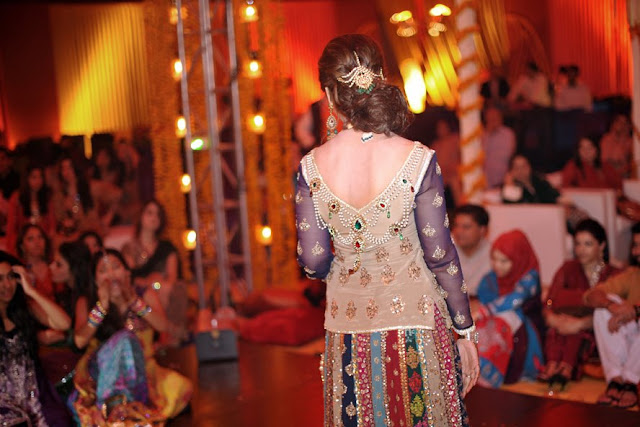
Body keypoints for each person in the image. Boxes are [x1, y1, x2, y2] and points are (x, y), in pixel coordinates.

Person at [296, 34, 478, 426]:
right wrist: (465, 330)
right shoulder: (417, 158)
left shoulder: (311, 167)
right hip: (417, 322)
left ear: (329, 94)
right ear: (379, 77)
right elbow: (440, 255)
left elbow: (312, 261)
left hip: (348, 326)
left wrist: (348, 261)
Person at [68, 249, 192, 424]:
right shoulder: (87, 302)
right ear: (96, 280)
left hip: (141, 369)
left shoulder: (143, 295)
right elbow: (79, 341)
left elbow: (162, 326)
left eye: (116, 267)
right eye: (103, 270)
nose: (111, 274)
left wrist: (133, 301)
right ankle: (114, 409)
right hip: (101, 373)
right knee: (124, 339)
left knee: (180, 387)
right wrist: (102, 307)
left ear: (127, 272)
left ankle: (132, 411)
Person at [540, 219, 620, 388]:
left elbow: (615, 312)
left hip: (596, 330)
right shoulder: (568, 268)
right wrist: (551, 317)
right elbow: (550, 300)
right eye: (578, 244)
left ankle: (566, 367)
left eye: (588, 244)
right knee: (556, 330)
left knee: (576, 332)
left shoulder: (613, 275)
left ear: (602, 245)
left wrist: (580, 324)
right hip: (563, 326)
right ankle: (553, 366)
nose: (581, 250)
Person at [0, 250, 72, 426]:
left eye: (11, 277)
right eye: (0, 279)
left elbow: (63, 323)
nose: (7, 284)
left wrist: (31, 291)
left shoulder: (25, 309)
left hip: (36, 396)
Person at [474, 230, 544, 387]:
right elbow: (482, 296)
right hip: (494, 322)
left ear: (518, 258)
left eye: (504, 261)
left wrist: (486, 311)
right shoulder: (491, 279)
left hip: (526, 328)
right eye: (494, 259)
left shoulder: (529, 276)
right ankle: (476, 366)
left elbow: (516, 299)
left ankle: (488, 373)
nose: (497, 265)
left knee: (502, 319)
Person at [584, 222, 640, 408]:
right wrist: (611, 306)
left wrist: (634, 311)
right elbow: (590, 295)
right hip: (634, 346)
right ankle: (616, 379)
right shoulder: (633, 275)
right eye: (635, 245)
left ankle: (631, 382)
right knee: (602, 309)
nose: (636, 252)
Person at [122, 200, 180, 314]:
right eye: (149, 213)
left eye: (158, 214)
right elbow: (129, 277)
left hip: (163, 291)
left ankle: (161, 322)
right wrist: (149, 282)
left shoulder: (167, 248)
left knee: (166, 288)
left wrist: (156, 284)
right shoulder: (130, 248)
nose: (154, 217)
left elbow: (172, 277)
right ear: (141, 216)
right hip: (139, 292)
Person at [6, 165, 55, 257]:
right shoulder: (17, 198)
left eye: (40, 177)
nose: (38, 181)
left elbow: (52, 226)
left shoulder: (46, 197)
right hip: (23, 246)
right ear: (27, 179)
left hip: (43, 244)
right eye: (34, 177)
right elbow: (11, 228)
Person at [51, 155, 101, 243]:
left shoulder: (89, 188)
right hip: (70, 234)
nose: (66, 172)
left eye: (69, 168)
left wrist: (109, 216)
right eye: (63, 169)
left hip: (89, 232)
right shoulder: (59, 194)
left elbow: (91, 218)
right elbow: (59, 218)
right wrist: (65, 222)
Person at [452, 205, 491, 297]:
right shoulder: (444, 251)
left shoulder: (493, 255)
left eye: (466, 227)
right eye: (456, 226)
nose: (458, 231)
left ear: (482, 230)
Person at [16, 224, 55, 301]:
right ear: (22, 246)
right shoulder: (20, 271)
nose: (37, 242)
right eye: (30, 239)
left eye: (40, 237)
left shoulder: (54, 266)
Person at [482, 107, 516, 188]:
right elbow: (479, 155)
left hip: (503, 178)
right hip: (484, 180)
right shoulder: (481, 135)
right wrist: (488, 134)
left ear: (501, 118)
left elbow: (509, 154)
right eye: (490, 117)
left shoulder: (508, 134)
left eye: (495, 117)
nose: (493, 120)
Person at [601, 114, 634, 179]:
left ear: (629, 126)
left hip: (624, 178)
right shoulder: (606, 139)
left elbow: (629, 164)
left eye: (625, 123)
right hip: (607, 176)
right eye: (619, 122)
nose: (622, 125)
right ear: (613, 124)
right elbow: (605, 160)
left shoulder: (631, 142)